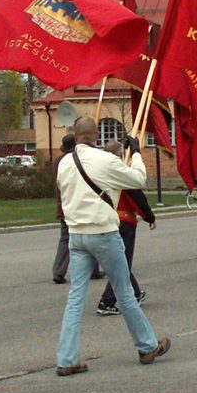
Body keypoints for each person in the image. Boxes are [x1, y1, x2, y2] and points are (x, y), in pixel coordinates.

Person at [54, 117, 170, 376]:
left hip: (76, 234)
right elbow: (138, 180)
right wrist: (136, 154)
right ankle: (147, 345)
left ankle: (66, 358)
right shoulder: (104, 160)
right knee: (125, 292)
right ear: (96, 135)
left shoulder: (64, 163)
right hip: (103, 232)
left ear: (74, 134)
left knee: (75, 298)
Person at [96, 141, 156, 316]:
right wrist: (149, 217)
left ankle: (135, 293)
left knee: (120, 259)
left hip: (104, 219)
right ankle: (107, 300)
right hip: (123, 221)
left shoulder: (98, 171)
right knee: (122, 261)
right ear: (119, 155)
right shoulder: (120, 172)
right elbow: (136, 196)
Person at [52, 134, 103, 284]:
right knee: (90, 234)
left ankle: (58, 271)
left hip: (63, 205)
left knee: (65, 239)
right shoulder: (76, 161)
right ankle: (93, 269)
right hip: (78, 204)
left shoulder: (58, 162)